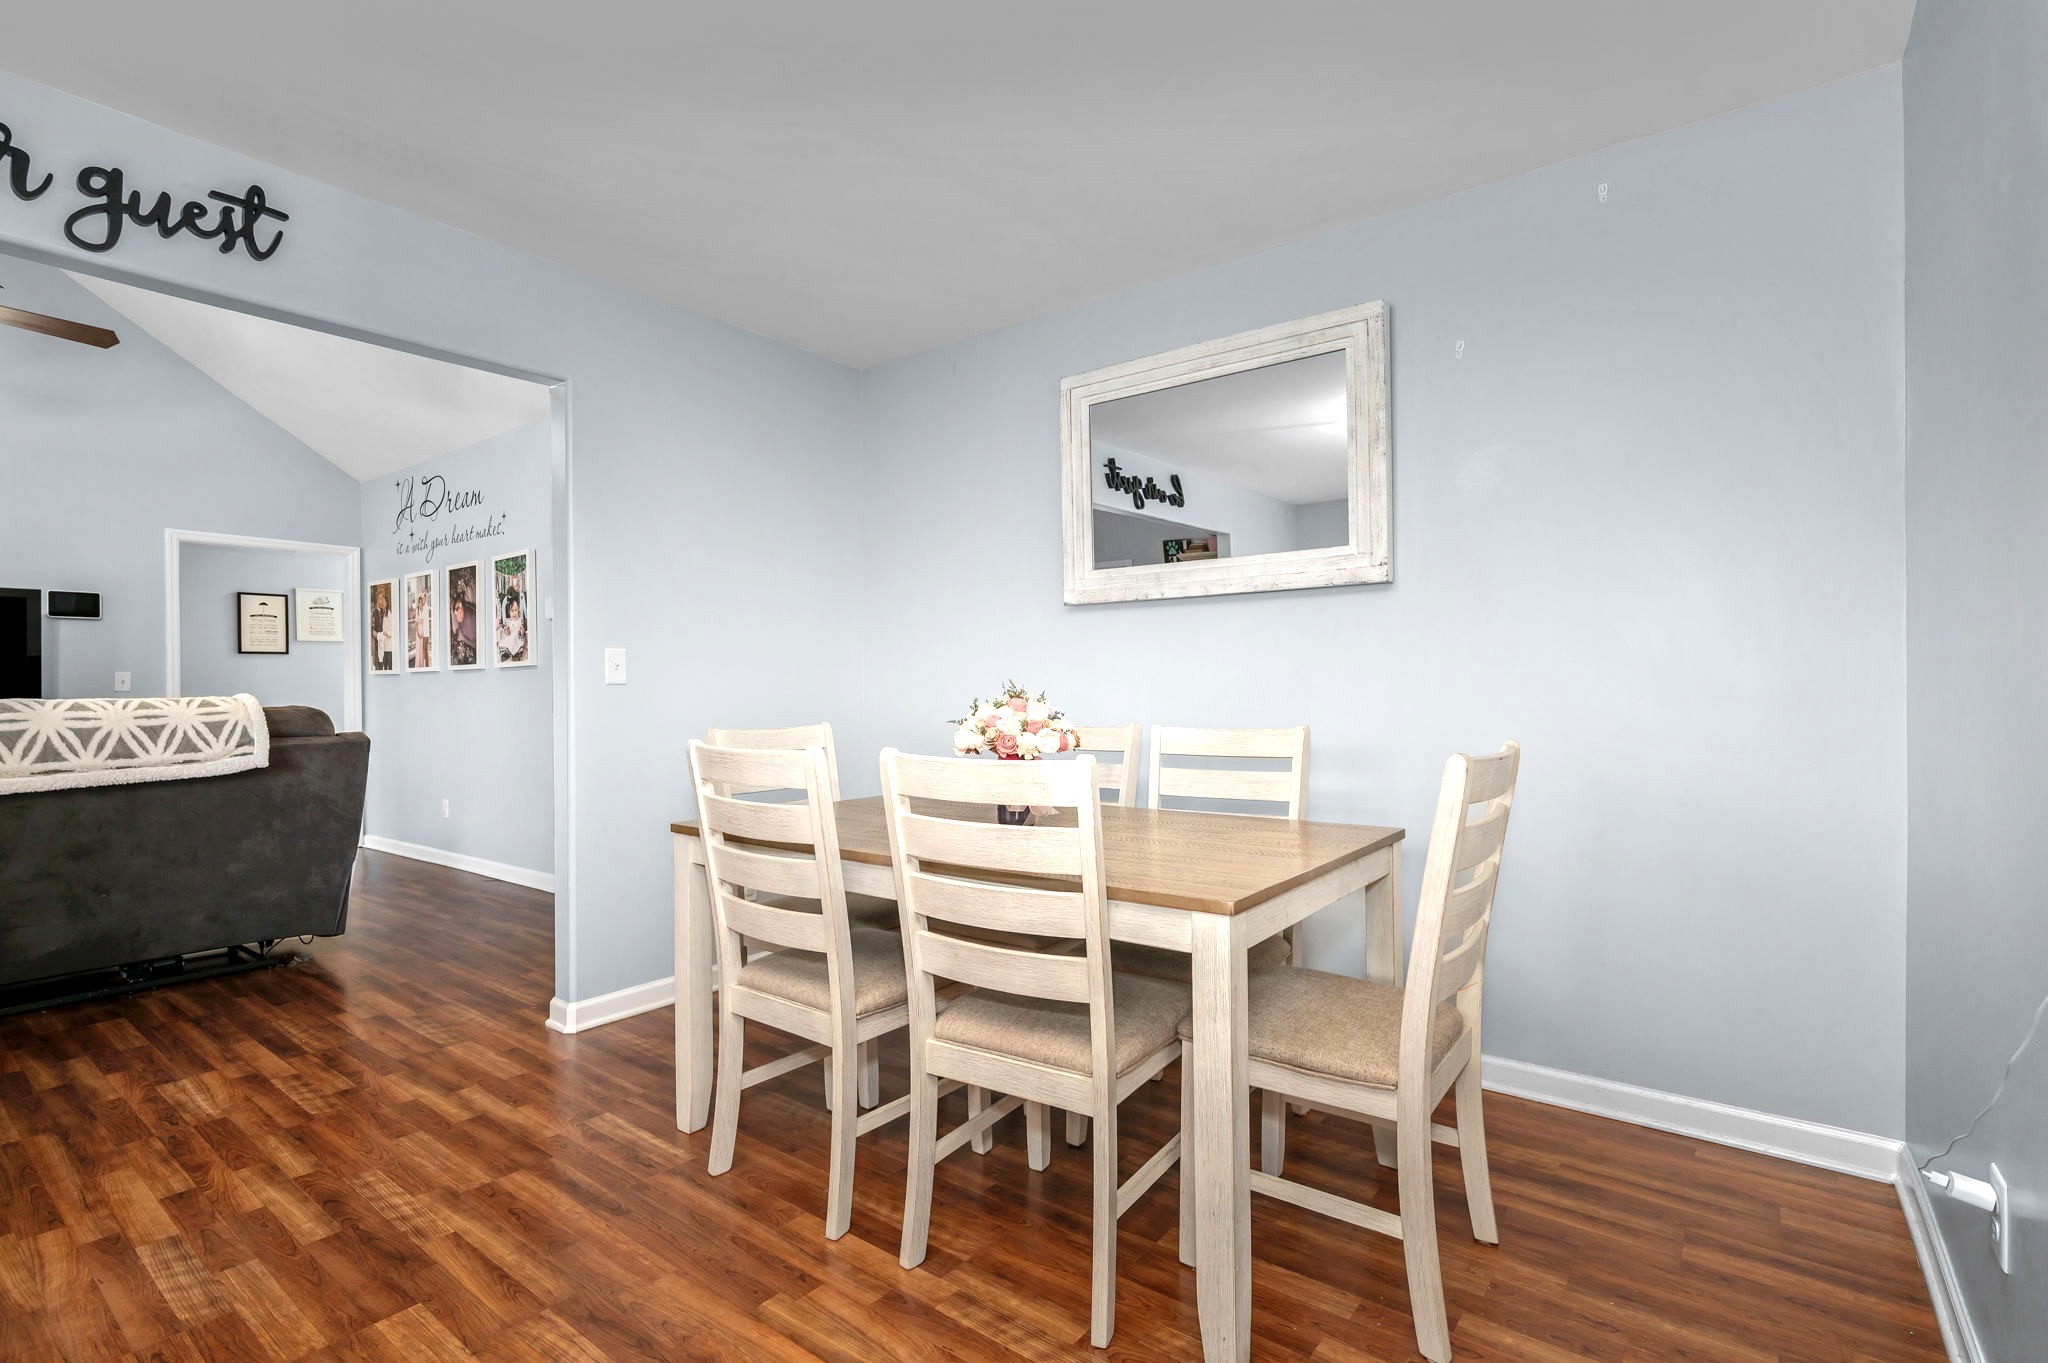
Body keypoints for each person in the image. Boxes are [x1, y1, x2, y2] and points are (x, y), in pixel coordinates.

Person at [496, 592, 527, 663]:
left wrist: (521, 632)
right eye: (512, 611)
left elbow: (522, 633)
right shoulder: (508, 622)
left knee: (517, 644)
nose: (514, 613)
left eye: (516, 610)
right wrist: (506, 630)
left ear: (518, 611)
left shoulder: (520, 621)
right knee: (506, 641)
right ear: (509, 612)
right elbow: (507, 634)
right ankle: (506, 654)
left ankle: (515, 654)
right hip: (511, 638)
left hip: (517, 638)